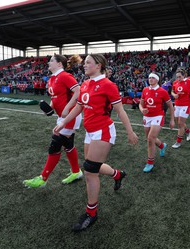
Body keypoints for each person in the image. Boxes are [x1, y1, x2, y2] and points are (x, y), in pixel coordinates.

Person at [53, 54, 139, 232]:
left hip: (103, 131)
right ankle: (117, 174)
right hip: (90, 132)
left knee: (90, 171)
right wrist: (62, 123)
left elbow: (120, 111)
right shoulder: (85, 84)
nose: (84, 65)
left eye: (88, 63)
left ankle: (91, 213)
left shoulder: (108, 85)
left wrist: (130, 132)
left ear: (98, 65)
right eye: (84, 63)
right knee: (92, 166)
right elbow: (79, 107)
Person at [23, 54, 83, 188]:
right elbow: (55, 97)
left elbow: (79, 91)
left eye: (51, 61)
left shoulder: (65, 76)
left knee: (55, 143)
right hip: (61, 116)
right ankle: (76, 172)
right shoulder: (52, 79)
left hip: (71, 116)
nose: (48, 63)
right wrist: (49, 109)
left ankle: (42, 179)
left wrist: (67, 108)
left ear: (59, 64)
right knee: (68, 144)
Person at [139, 72, 175, 172]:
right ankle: (162, 146)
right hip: (147, 117)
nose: (150, 79)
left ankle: (150, 162)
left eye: (153, 78)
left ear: (157, 80)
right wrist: (142, 110)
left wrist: (172, 120)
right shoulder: (145, 90)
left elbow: (170, 106)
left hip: (158, 116)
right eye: (149, 77)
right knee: (150, 138)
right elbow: (141, 104)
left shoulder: (162, 91)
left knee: (150, 139)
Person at [171, 68, 190, 148]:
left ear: (184, 75)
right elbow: (172, 91)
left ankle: (178, 142)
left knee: (180, 124)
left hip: (185, 105)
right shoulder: (175, 82)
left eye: (180, 77)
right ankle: (188, 131)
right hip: (177, 104)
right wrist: (174, 95)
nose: (178, 78)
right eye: (177, 77)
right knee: (179, 123)